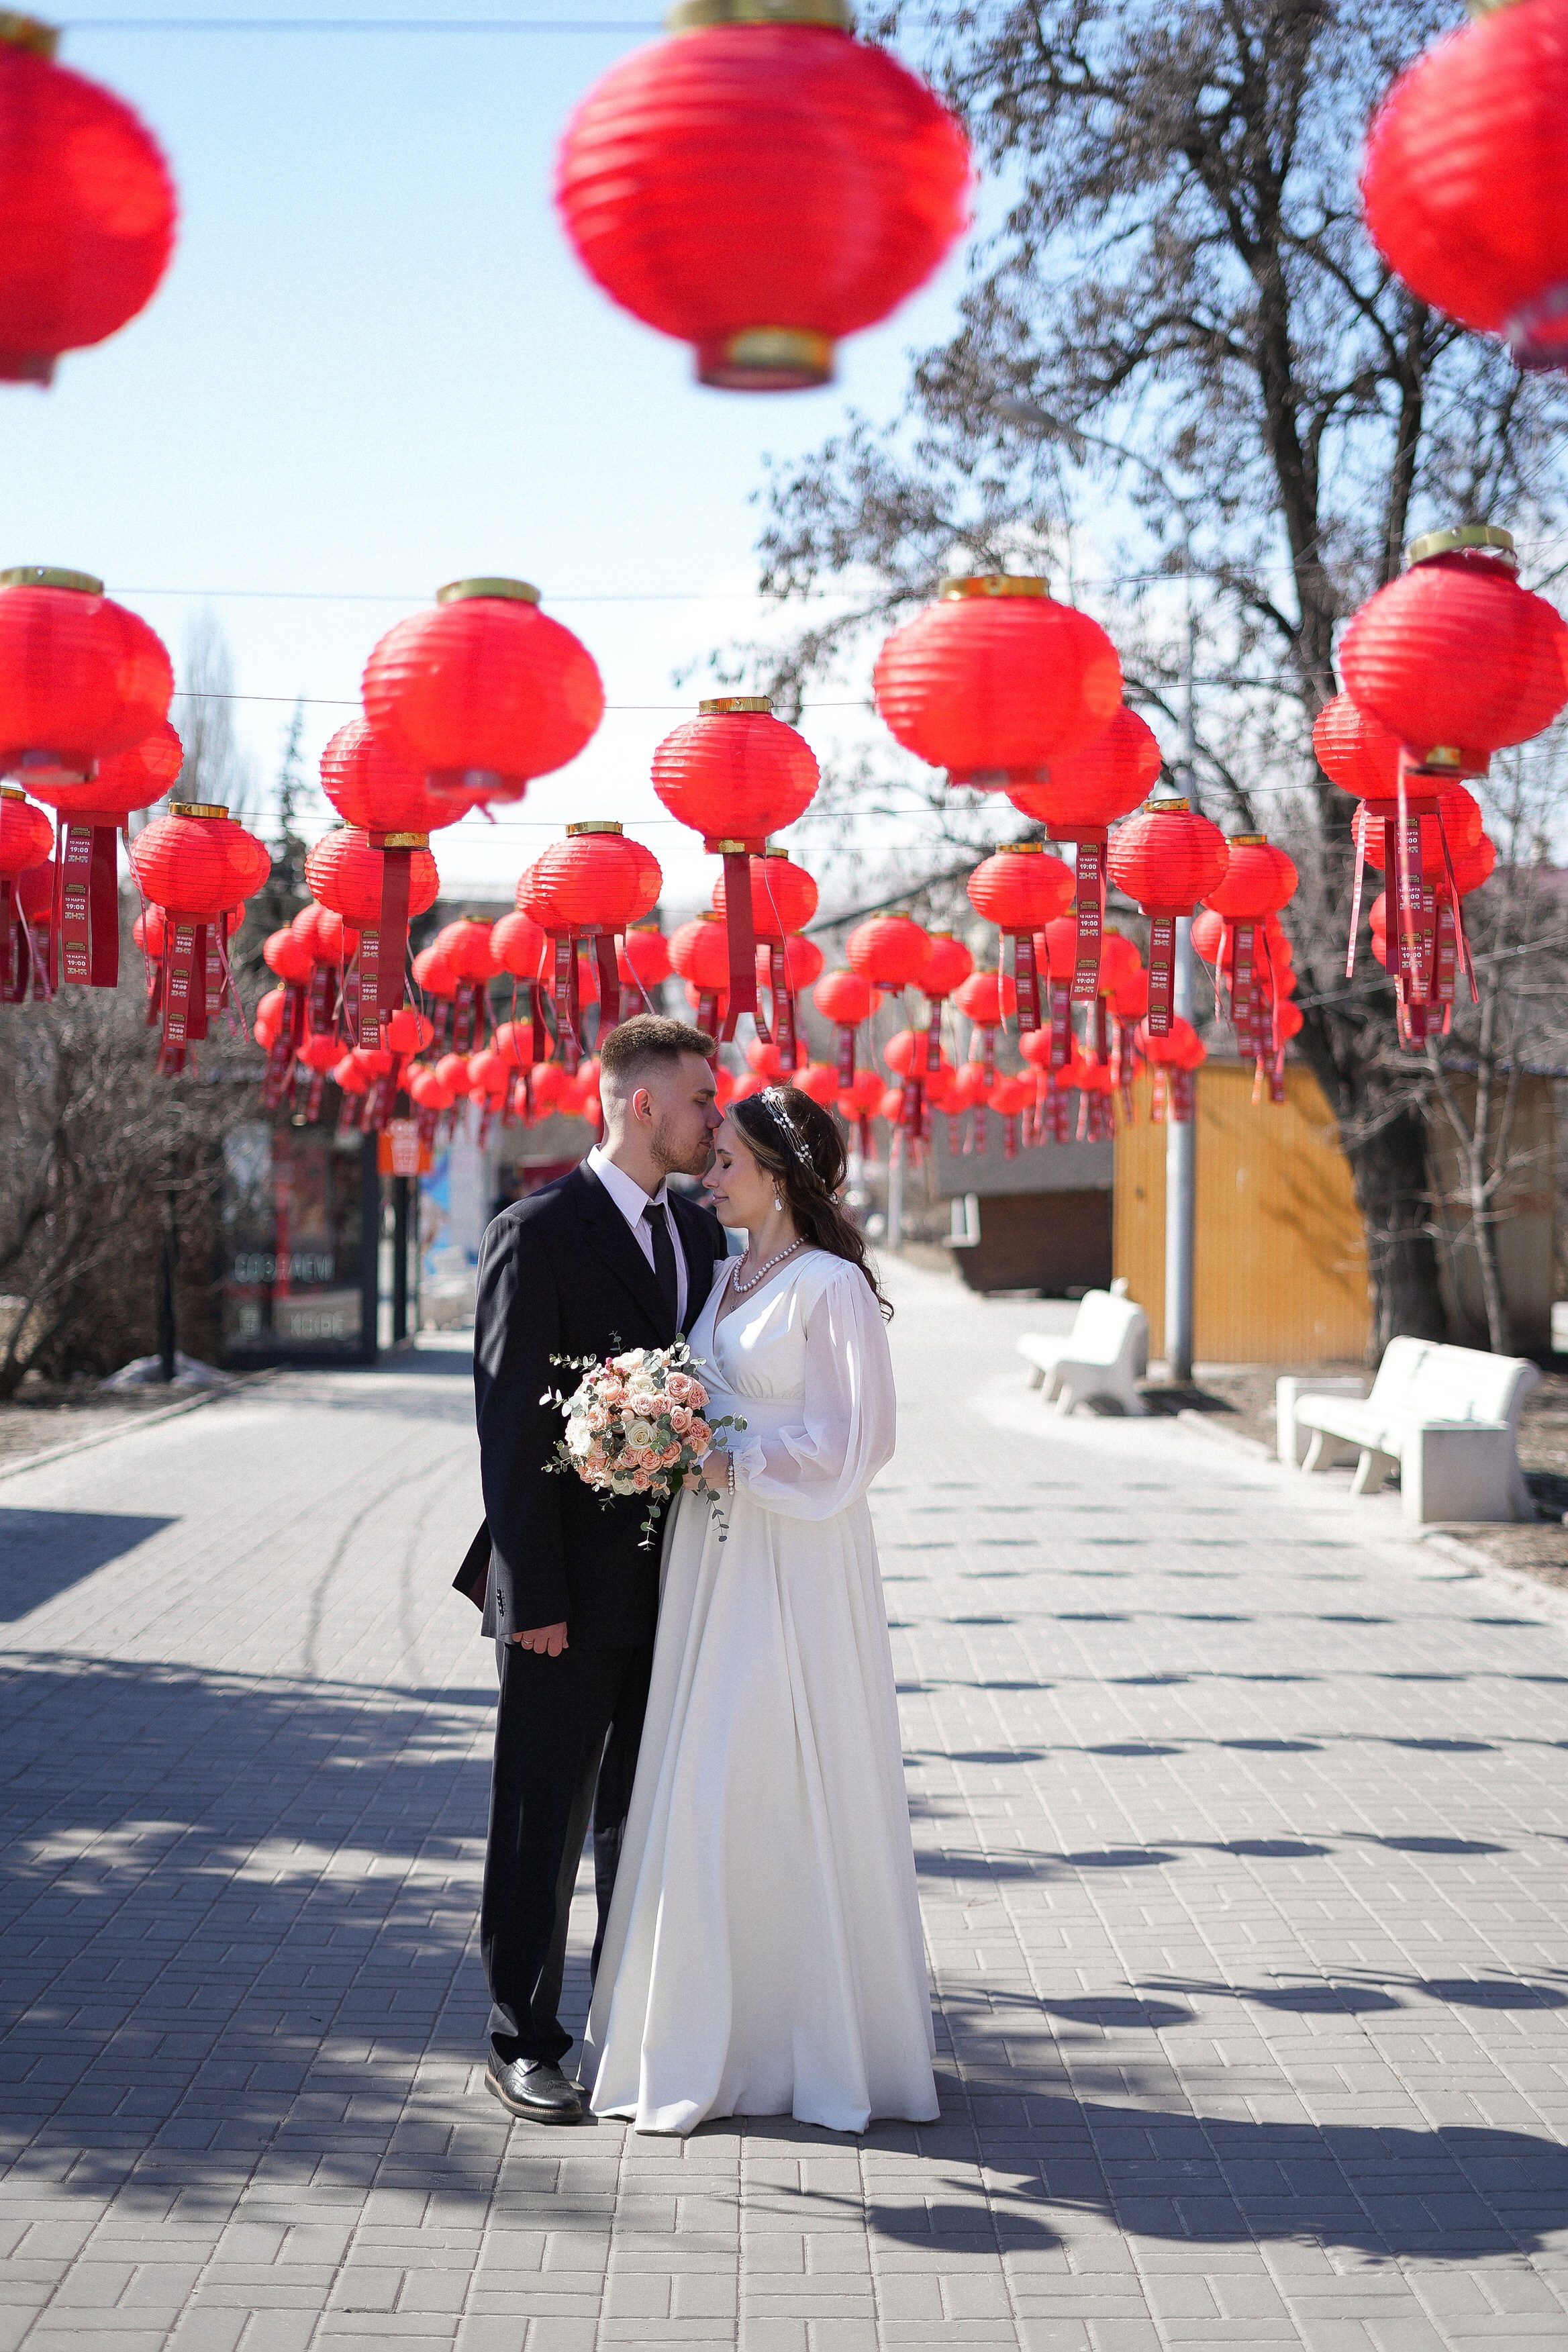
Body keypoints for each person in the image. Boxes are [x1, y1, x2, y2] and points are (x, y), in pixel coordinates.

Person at [583, 1085, 940, 2135]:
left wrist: (728, 1455)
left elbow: (855, 1442)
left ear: (781, 1173)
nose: (711, 1172)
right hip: (714, 1557)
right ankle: (716, 2036)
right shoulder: (730, 1274)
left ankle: (811, 2040)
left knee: (769, 1766)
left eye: (729, 1159)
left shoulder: (829, 1288)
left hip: (794, 1558)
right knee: (704, 1773)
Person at [457, 1016, 728, 2125]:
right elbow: (509, 1429)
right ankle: (523, 2036)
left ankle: (626, 2024)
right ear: (640, 1104)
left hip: (685, 1590)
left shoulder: (707, 1241)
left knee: (641, 1815)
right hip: (569, 1593)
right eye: (703, 1100)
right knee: (542, 1813)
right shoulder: (540, 1230)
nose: (718, 1118)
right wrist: (536, 1602)